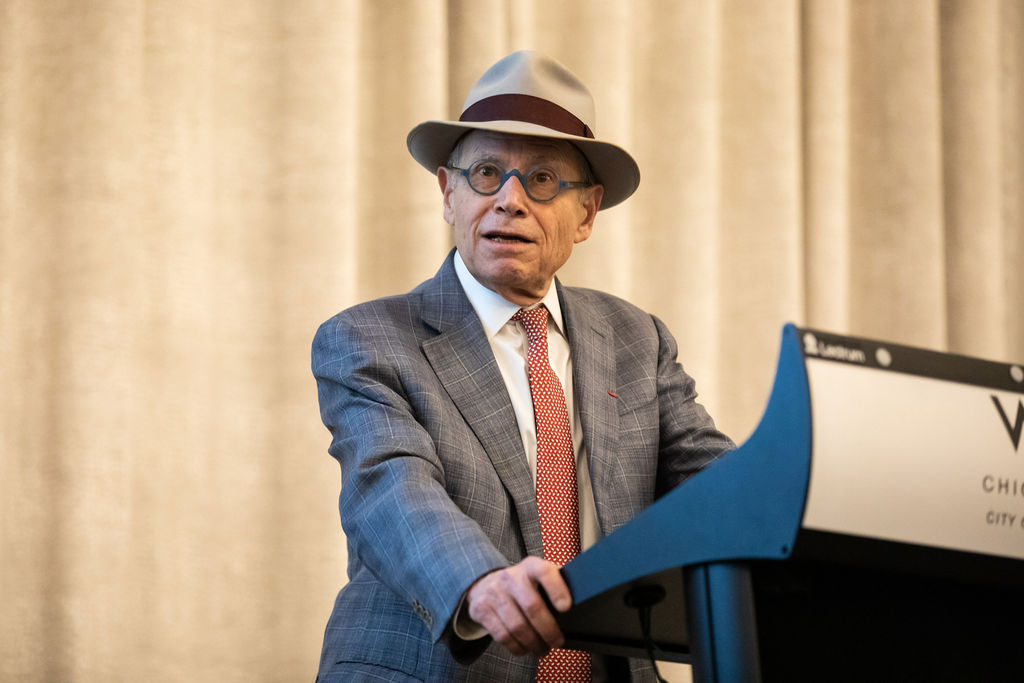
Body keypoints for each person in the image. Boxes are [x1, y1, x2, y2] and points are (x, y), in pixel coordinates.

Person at [312, 51, 734, 682]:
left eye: (541, 180)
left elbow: (717, 487)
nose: (508, 201)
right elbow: (391, 489)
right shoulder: (369, 339)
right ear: (448, 193)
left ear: (586, 213)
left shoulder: (636, 341)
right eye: (485, 173)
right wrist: (482, 583)